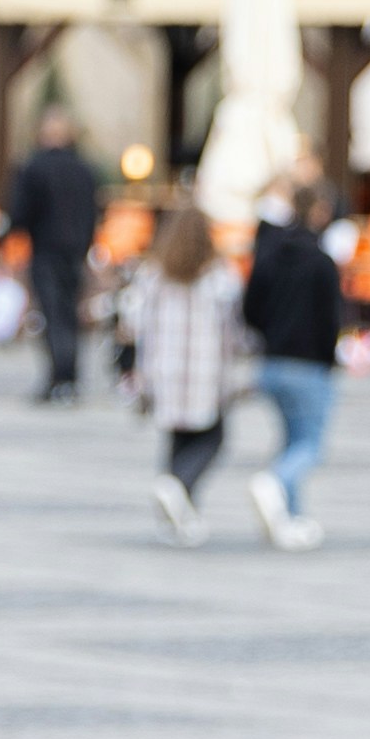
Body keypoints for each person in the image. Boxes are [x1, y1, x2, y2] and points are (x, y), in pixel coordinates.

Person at [129, 187, 242, 539]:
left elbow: (135, 321)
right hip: (204, 369)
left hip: (164, 368)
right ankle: (177, 486)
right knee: (213, 438)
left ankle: (178, 512)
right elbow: (233, 328)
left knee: (178, 437)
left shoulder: (153, 275)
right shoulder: (219, 277)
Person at [239, 178, 344, 552]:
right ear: (319, 212)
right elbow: (332, 319)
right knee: (310, 446)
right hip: (309, 364)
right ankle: (275, 482)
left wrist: (270, 334)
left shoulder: (268, 254)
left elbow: (249, 308)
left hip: (272, 362)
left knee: (291, 440)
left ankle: (292, 518)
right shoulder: (322, 262)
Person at [2, 105, 104, 405]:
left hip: (46, 251)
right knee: (70, 316)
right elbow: (94, 214)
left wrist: (7, 233)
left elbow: (20, 214)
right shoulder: (86, 170)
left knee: (53, 315)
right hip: (76, 253)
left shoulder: (34, 168)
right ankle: (69, 378)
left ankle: (59, 378)